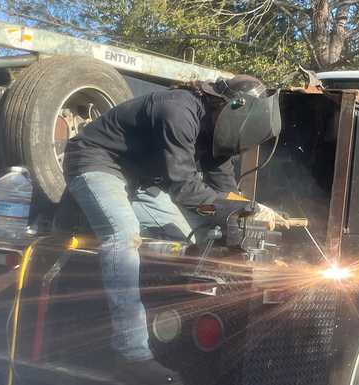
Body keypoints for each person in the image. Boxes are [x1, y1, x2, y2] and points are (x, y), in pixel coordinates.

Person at [62, 74, 282, 385]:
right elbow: (185, 192)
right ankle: (131, 355)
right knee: (124, 236)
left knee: (183, 239)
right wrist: (241, 209)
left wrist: (252, 209)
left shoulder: (214, 135)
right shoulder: (177, 112)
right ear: (232, 107)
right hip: (95, 163)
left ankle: (167, 335)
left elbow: (223, 191)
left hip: (135, 184)